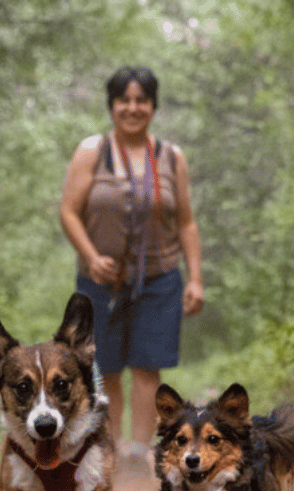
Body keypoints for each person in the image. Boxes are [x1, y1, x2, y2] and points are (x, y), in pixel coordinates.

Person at [60, 66, 204, 470]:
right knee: (104, 368)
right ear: (112, 106)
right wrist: (90, 256)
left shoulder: (172, 157)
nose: (133, 108)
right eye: (124, 100)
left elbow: (187, 222)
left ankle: (140, 454)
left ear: (154, 107)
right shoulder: (93, 151)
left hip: (159, 278)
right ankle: (109, 450)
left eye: (142, 100)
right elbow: (69, 213)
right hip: (100, 281)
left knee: (147, 366)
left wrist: (195, 278)